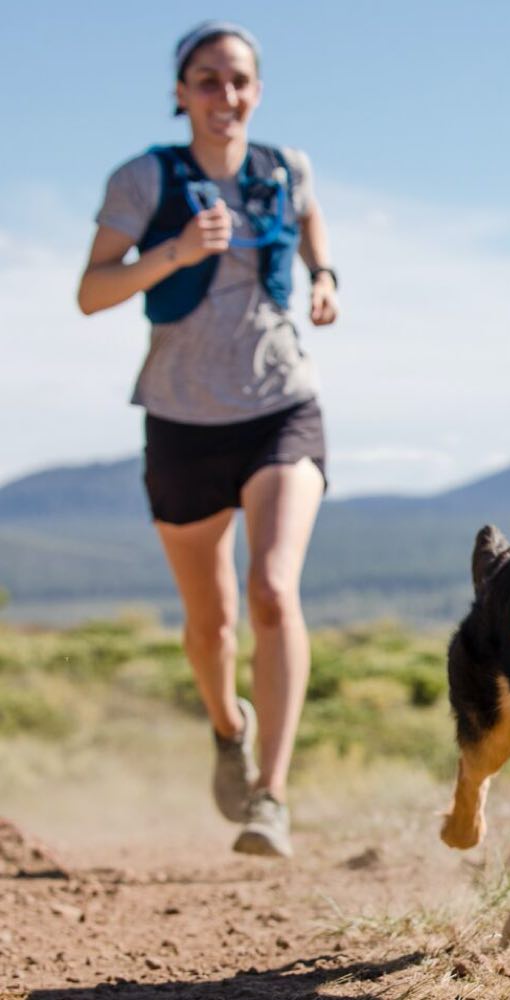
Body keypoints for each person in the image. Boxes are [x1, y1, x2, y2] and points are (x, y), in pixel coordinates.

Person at [77, 21, 339, 858]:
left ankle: (271, 795)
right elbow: (92, 292)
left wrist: (325, 276)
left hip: (279, 406)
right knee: (212, 622)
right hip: (183, 419)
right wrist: (175, 251)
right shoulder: (145, 179)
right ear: (181, 92)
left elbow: (310, 220)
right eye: (206, 80)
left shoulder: (284, 168)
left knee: (270, 590)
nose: (225, 96)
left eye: (238, 81)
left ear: (256, 91)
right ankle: (229, 727)